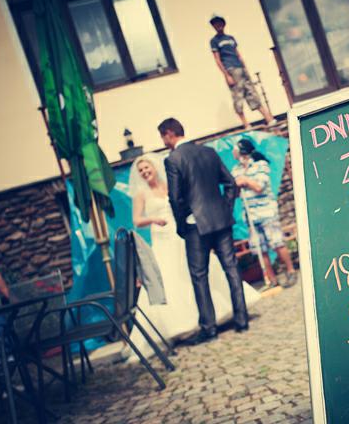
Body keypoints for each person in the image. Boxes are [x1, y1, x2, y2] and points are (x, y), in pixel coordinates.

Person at [127, 153, 261, 353]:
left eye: (147, 168)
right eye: (141, 170)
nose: (145, 172)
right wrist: (153, 219)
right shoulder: (141, 194)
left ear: (154, 168)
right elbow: (137, 220)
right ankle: (181, 324)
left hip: (181, 233)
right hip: (162, 238)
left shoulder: (168, 184)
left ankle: (218, 313)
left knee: (198, 273)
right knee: (171, 278)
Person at [159, 117, 250, 345]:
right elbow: (230, 183)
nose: (163, 142)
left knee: (199, 276)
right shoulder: (209, 152)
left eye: (162, 137)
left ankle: (209, 328)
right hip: (221, 221)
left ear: (169, 134)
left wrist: (182, 225)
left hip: (195, 226)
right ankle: (242, 319)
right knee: (231, 268)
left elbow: (175, 198)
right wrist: (225, 208)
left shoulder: (173, 159)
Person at [231, 138, 297, 290]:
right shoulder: (236, 170)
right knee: (260, 249)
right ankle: (271, 280)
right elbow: (235, 192)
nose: (233, 152)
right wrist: (237, 185)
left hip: (266, 212)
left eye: (235, 149)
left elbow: (259, 187)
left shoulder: (261, 165)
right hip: (250, 216)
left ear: (241, 150)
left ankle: (291, 271)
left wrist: (245, 180)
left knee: (277, 243)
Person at [209, 14, 276, 130]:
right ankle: (246, 125)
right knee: (238, 97)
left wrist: (245, 68)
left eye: (219, 23)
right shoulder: (214, 41)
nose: (218, 25)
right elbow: (217, 59)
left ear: (223, 24)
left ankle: (269, 119)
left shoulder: (230, 38)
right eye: (215, 24)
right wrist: (227, 75)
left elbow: (238, 54)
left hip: (241, 69)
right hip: (231, 70)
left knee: (252, 93)